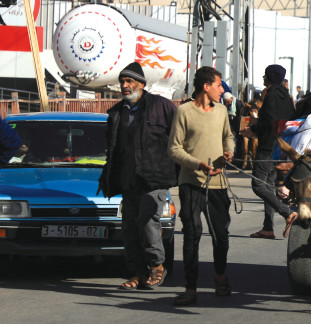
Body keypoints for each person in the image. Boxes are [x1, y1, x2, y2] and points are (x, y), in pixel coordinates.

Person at [98, 62, 178, 291]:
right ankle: (137, 273)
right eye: (122, 81)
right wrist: (108, 176)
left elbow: (180, 137)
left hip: (155, 177)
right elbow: (112, 149)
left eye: (129, 81)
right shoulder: (116, 112)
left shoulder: (161, 107)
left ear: (142, 84)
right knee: (130, 227)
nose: (125, 85)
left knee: (147, 220)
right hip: (128, 178)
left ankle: (157, 265)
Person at [168, 66, 235, 306]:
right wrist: (197, 164)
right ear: (206, 87)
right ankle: (190, 288)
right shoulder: (184, 111)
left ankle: (219, 276)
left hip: (218, 183)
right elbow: (174, 149)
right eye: (219, 85)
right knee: (192, 234)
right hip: (191, 183)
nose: (222, 90)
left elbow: (228, 136)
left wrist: (229, 152)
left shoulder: (221, 111)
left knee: (221, 235)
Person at [241, 64, 297, 240]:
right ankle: (267, 228)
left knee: (258, 185)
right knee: (270, 187)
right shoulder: (287, 97)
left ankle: (287, 213)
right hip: (281, 147)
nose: (263, 78)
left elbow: (269, 121)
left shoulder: (271, 95)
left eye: (265, 76)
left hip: (268, 147)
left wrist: (253, 130)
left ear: (270, 78)